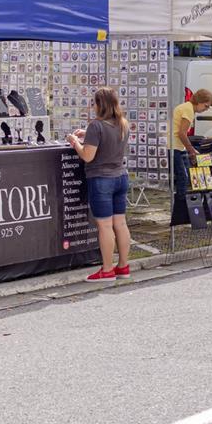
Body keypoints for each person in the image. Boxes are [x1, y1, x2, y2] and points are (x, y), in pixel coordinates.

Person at [67, 87, 132, 282]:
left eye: (94, 103)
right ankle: (123, 266)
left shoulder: (96, 126)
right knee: (120, 223)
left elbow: (88, 156)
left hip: (101, 180)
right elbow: (109, 136)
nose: (92, 106)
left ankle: (106, 269)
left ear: (99, 104)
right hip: (121, 177)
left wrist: (74, 142)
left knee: (104, 226)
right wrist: (87, 134)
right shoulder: (123, 123)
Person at [171, 88, 212, 200]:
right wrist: (191, 149)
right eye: (206, 106)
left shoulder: (186, 107)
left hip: (178, 146)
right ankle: (180, 205)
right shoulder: (188, 110)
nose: (207, 109)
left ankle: (182, 203)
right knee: (183, 177)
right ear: (199, 101)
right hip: (174, 146)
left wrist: (189, 150)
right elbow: (182, 133)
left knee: (186, 176)